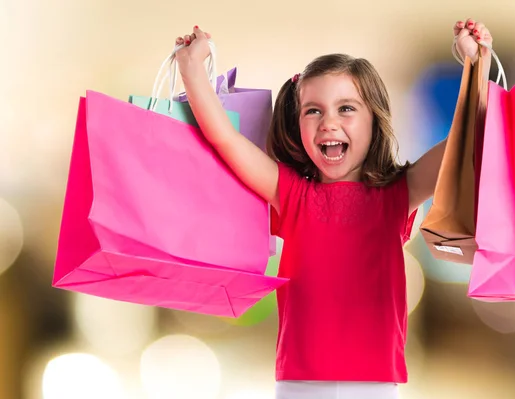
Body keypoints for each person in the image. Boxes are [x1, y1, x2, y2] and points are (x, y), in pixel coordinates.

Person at [174, 18, 493, 399]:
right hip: (297, 384)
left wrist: (478, 65)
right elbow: (224, 137)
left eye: (346, 108)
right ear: (298, 122)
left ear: (374, 120)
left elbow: (465, 140)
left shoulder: (396, 194)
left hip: (376, 386)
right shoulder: (289, 193)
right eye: (313, 111)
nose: (329, 123)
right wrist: (191, 68)